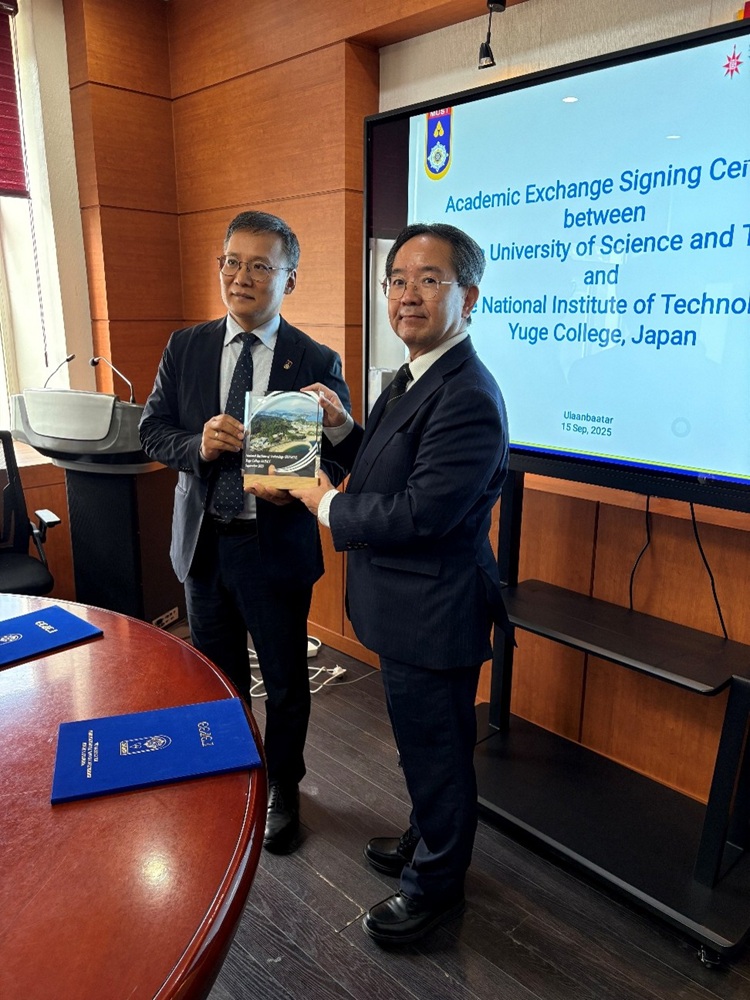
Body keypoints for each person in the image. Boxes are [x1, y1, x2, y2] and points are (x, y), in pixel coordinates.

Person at [290, 222, 510, 944]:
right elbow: (387, 466)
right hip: (404, 605)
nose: (407, 295)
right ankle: (425, 840)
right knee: (421, 744)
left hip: (434, 611)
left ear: (467, 296)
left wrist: (324, 502)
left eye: (428, 280)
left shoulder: (467, 394)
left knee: (439, 754)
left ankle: (435, 890)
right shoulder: (414, 374)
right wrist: (342, 429)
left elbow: (422, 512)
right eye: (397, 281)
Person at [139, 210, 351, 855]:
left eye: (261, 265)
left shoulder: (316, 360)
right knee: (217, 676)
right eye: (232, 262)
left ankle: (283, 786)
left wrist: (314, 459)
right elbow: (151, 431)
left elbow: (341, 457)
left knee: (284, 680)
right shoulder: (186, 346)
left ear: (290, 278)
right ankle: (234, 774)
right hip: (205, 544)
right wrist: (197, 445)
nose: (241, 277)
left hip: (273, 547)